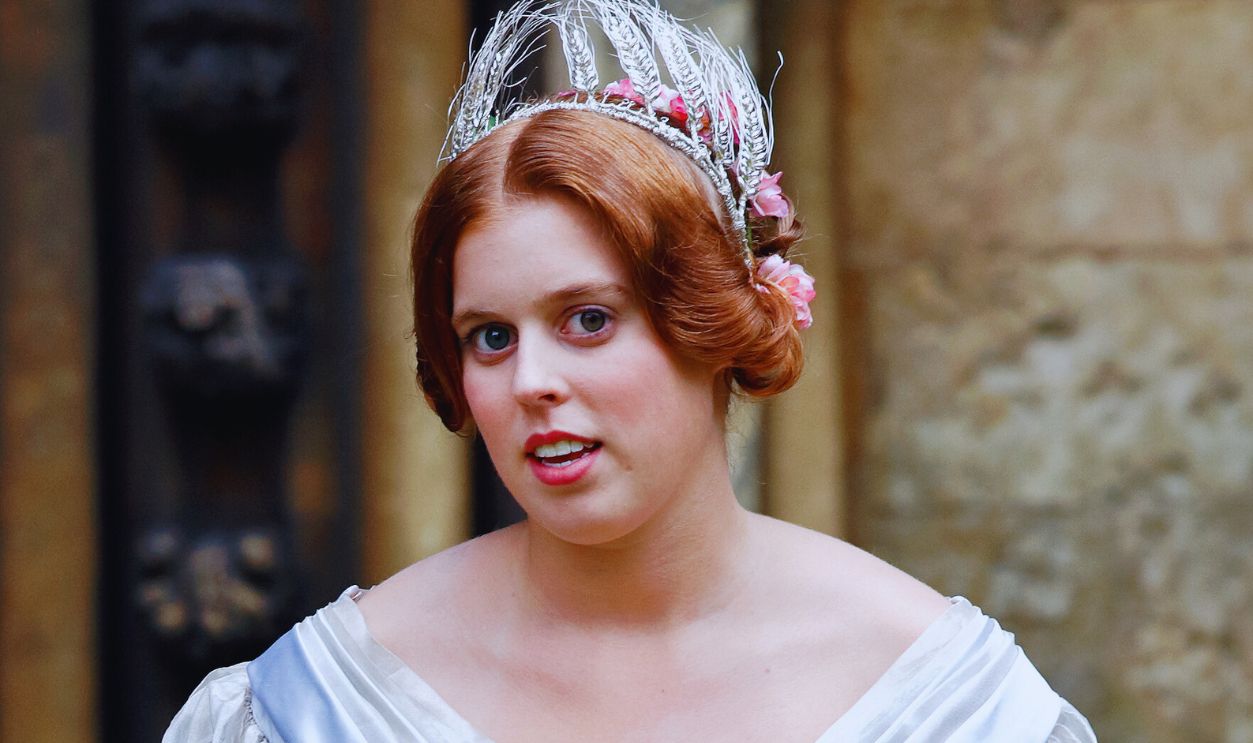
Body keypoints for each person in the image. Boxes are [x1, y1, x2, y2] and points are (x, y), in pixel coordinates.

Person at [165, 2, 1097, 741]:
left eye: (587, 319)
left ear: (714, 322)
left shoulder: (944, 701)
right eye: (489, 336)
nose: (531, 379)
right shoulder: (315, 707)